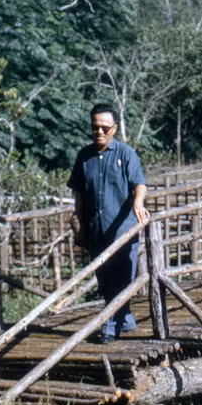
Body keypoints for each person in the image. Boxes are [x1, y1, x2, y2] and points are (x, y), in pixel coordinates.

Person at [68, 103, 150, 343]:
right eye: (95, 128)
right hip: (96, 229)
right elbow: (80, 194)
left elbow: (139, 183)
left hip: (122, 230)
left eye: (105, 127)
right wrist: (79, 222)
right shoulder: (84, 156)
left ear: (114, 128)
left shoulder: (126, 154)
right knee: (104, 280)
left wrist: (138, 203)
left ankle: (110, 326)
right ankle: (125, 319)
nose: (100, 132)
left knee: (123, 277)